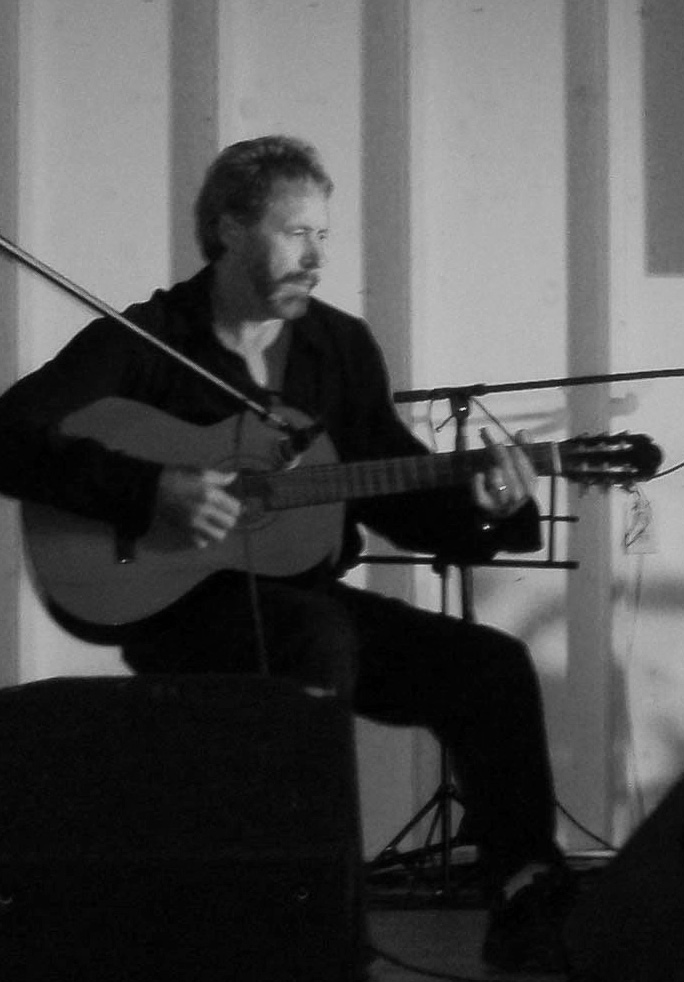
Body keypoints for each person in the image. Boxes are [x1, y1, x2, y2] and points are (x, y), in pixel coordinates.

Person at [0, 135, 574, 974]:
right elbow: (7, 437)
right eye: (296, 232)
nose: (316, 256)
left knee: (489, 666)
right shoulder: (145, 340)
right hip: (174, 608)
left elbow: (394, 490)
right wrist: (149, 489)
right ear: (229, 230)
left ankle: (526, 898)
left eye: (323, 235)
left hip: (299, 596)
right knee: (315, 640)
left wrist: (488, 509)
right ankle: (317, 922)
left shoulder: (336, 348)